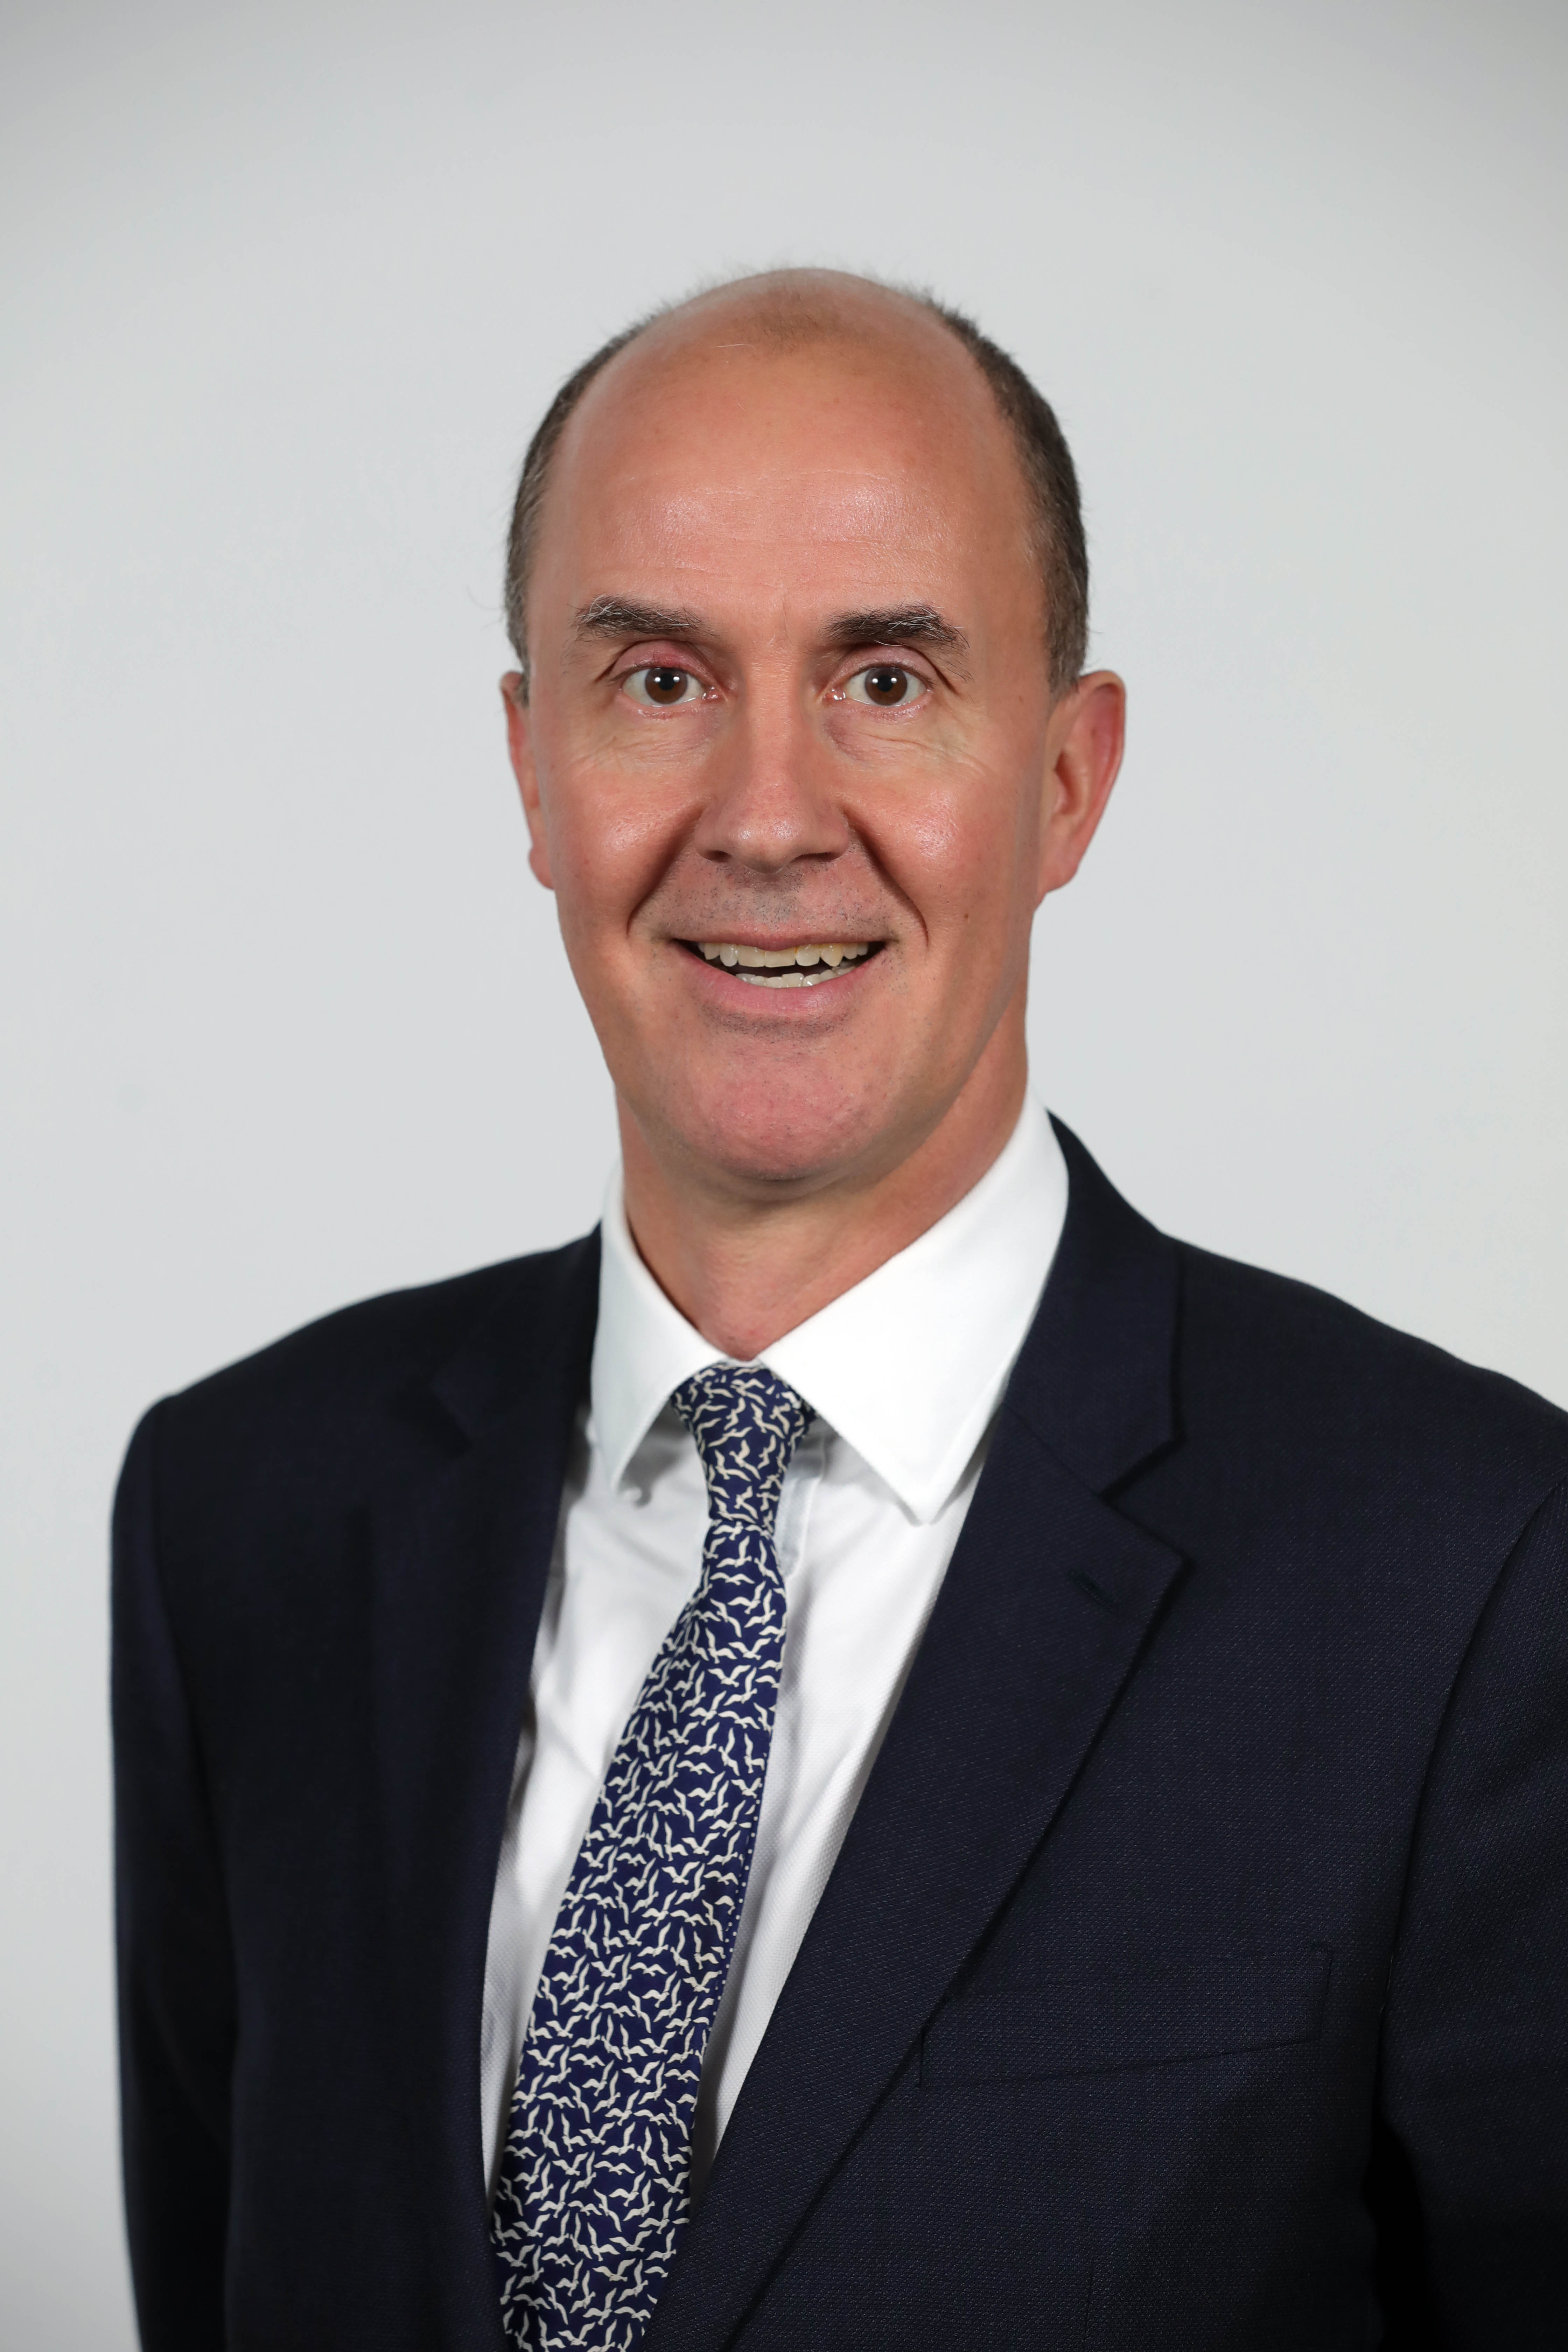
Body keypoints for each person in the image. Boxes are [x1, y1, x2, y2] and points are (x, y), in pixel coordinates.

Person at [112, 270, 1568, 2352]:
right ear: (533, 770)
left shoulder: (1475, 1575)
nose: (770, 816)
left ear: (1068, 781)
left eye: (887, 681)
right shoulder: (238, 1513)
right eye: (659, 682)